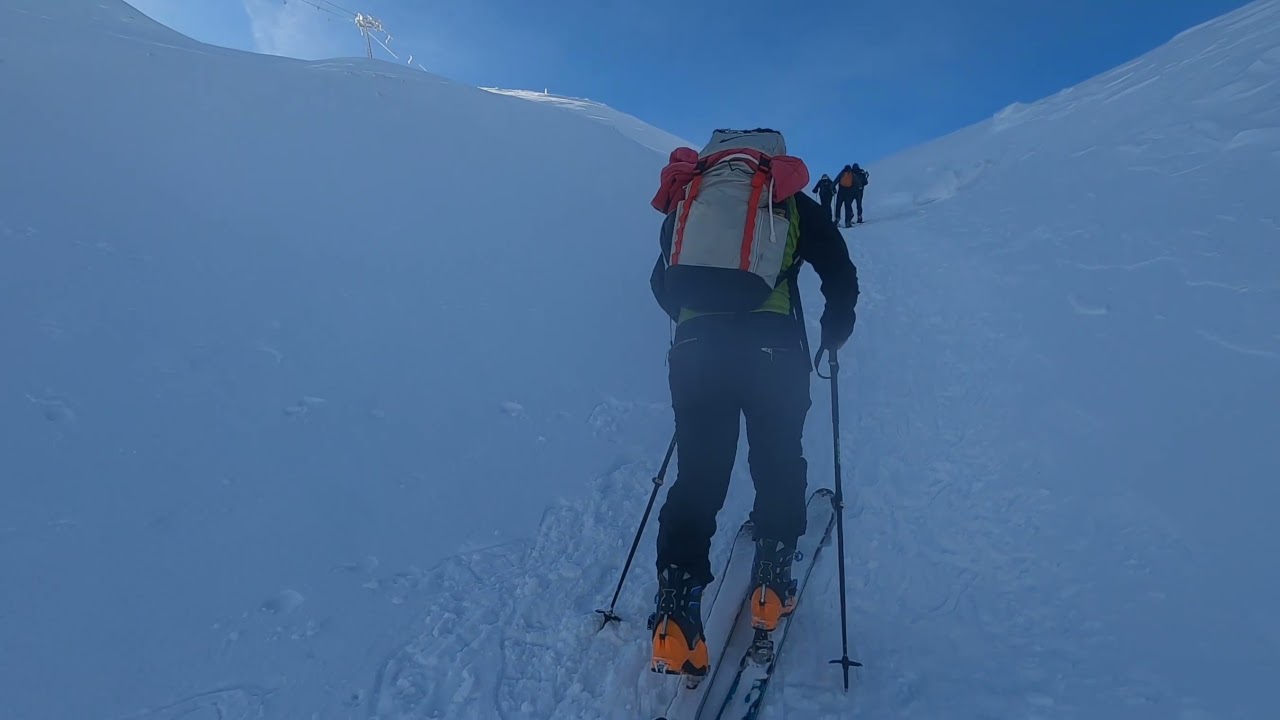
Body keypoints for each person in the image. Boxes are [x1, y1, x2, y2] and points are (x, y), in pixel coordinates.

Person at [646, 128, 859, 677]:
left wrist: (698, 332)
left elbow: (662, 283)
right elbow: (839, 269)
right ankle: (771, 584)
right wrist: (835, 330)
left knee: (699, 476)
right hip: (774, 352)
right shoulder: (786, 199)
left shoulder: (690, 200)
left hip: (697, 353)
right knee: (777, 459)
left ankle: (675, 616)